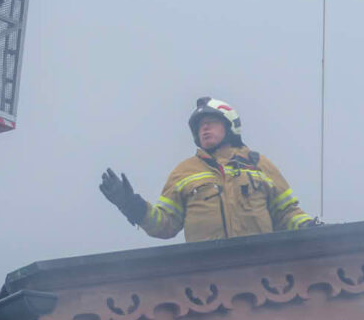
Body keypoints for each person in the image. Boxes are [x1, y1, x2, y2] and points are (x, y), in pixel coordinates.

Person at [99, 97, 317, 242]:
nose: (204, 128)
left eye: (211, 122)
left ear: (230, 126)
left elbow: (286, 213)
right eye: (200, 125)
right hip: (207, 276)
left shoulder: (260, 165)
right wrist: (130, 205)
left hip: (260, 269)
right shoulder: (184, 172)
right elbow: (165, 225)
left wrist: (308, 227)